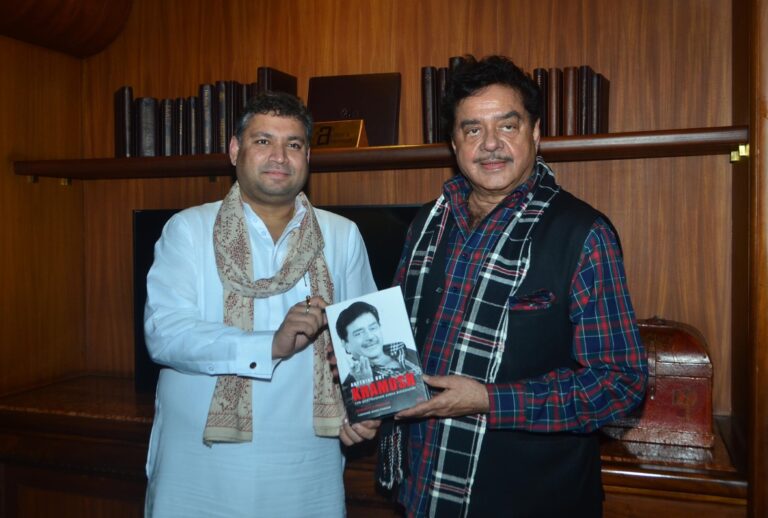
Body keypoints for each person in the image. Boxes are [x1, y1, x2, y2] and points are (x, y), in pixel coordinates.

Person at [376, 55, 648, 517]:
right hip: (424, 490)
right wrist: (363, 366)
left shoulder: (582, 234)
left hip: (532, 499)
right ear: (454, 143)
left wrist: (487, 400)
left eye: (508, 126)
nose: (491, 145)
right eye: (472, 129)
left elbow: (619, 385)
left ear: (536, 133)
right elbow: (402, 338)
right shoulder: (426, 224)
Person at [143, 91, 379, 517]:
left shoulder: (342, 235)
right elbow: (165, 335)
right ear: (235, 150)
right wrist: (271, 343)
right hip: (201, 464)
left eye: (293, 144)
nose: (279, 156)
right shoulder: (188, 229)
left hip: (308, 462)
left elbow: (367, 340)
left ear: (308, 156)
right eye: (263, 141)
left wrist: (369, 409)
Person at [335, 301, 422, 386]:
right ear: (346, 344)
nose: (369, 337)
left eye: (373, 328)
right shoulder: (351, 385)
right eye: (359, 333)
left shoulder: (407, 351)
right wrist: (366, 386)